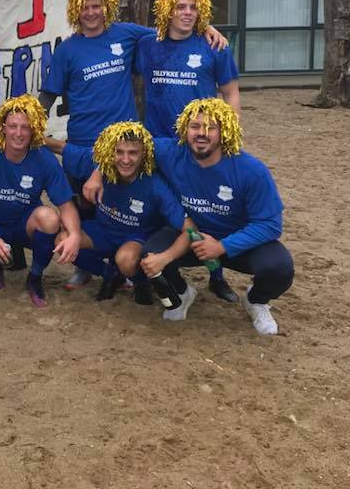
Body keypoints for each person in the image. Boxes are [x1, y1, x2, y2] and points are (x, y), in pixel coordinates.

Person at [40, 0, 225, 290]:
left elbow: (170, 31)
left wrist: (204, 27)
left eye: (97, 6)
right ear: (76, 10)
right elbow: (48, 94)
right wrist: (30, 125)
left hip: (125, 146)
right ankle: (88, 267)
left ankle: (147, 264)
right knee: (85, 205)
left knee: (131, 205)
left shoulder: (126, 34)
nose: (91, 13)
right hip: (82, 141)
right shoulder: (68, 49)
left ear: (107, 7)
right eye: (85, 7)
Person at [85, 98, 293, 335]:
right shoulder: (170, 151)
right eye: (195, 126)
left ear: (224, 131)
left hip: (236, 240)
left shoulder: (251, 170)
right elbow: (122, 143)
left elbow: (270, 225)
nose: (201, 133)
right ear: (184, 129)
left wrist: (222, 246)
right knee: (150, 254)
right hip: (188, 235)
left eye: (210, 127)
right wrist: (97, 173)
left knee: (280, 267)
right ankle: (183, 293)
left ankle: (255, 301)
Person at [136, 0, 241, 302]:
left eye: (194, 7)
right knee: (163, 210)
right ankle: (159, 273)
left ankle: (217, 276)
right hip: (158, 143)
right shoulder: (147, 44)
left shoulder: (213, 46)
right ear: (167, 10)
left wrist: (229, 136)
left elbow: (231, 93)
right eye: (180, 6)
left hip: (200, 145)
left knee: (206, 211)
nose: (187, 12)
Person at [45, 121, 195, 304]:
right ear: (110, 152)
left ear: (144, 153)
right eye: (119, 152)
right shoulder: (98, 165)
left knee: (125, 259)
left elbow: (189, 228)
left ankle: (141, 282)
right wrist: (29, 137)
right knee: (63, 241)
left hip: (136, 237)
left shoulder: (155, 185)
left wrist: (166, 257)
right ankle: (110, 273)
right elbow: (61, 148)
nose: (125, 160)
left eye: (133, 153)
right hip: (103, 230)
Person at [0, 96, 80, 306]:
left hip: (24, 223)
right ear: (3, 128)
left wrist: (75, 235)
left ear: (34, 130)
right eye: (13, 126)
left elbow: (66, 206)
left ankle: (35, 277)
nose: (19, 133)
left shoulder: (44, 158)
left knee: (50, 218)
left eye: (25, 127)